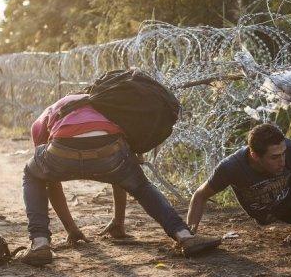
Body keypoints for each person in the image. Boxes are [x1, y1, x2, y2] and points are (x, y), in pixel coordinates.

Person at [18, 93, 221, 265]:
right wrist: (119, 221)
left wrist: (72, 229)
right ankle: (184, 236)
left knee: (33, 174)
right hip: (110, 151)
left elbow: (50, 182)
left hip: (62, 149)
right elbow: (121, 176)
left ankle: (40, 243)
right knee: (141, 186)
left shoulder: (47, 116)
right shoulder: (105, 105)